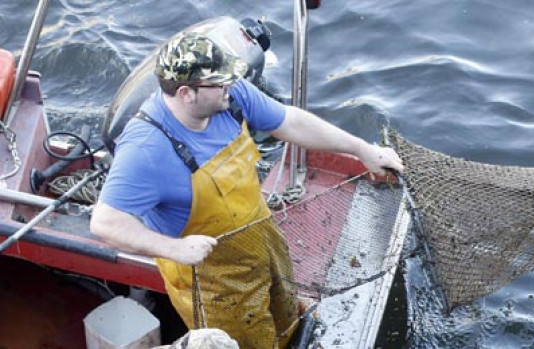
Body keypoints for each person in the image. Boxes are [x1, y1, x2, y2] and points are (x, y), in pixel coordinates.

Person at [90, 32, 404, 348]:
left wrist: (362, 149)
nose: (232, 85)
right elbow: (105, 222)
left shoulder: (230, 96)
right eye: (220, 83)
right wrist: (173, 249)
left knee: (285, 314)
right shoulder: (146, 149)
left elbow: (290, 122)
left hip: (261, 236)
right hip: (214, 278)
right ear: (186, 93)